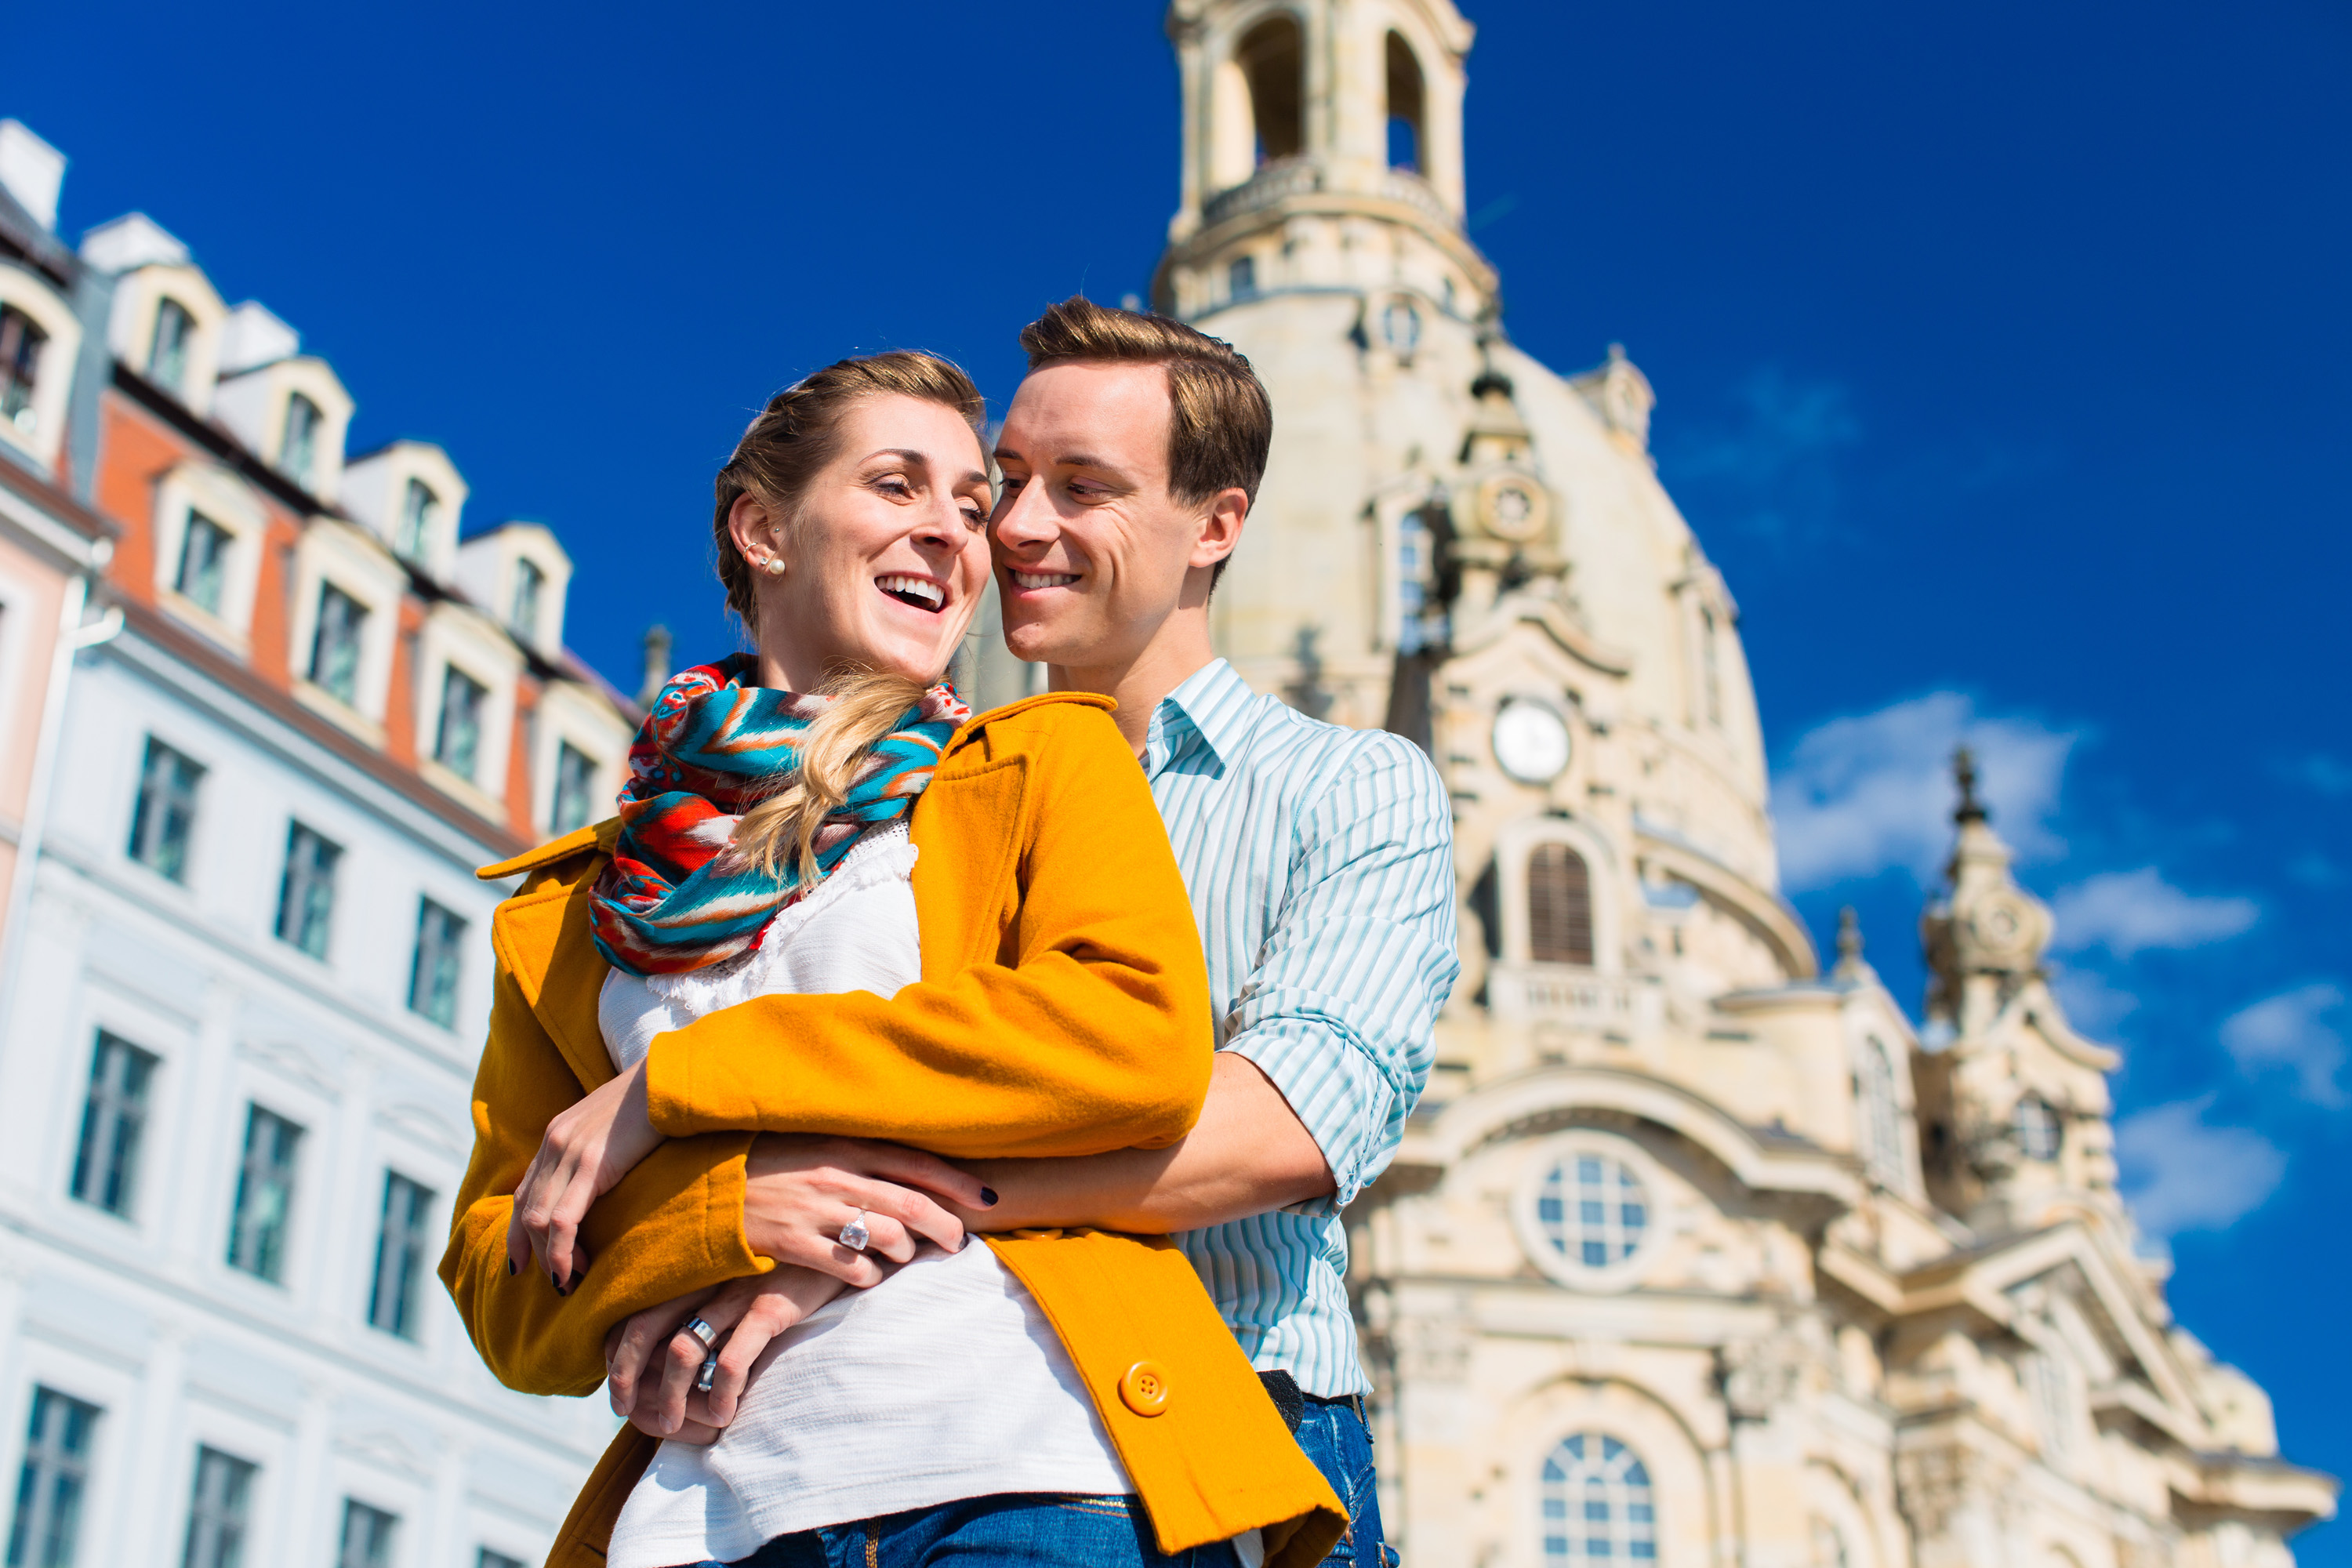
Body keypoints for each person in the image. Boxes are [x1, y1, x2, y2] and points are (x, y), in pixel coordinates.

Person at [440, 350, 1345, 1568]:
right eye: (898, 486)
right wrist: (724, 1214)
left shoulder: (1041, 764)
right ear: (761, 529)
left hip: (1020, 1473)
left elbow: (1127, 1042)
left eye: (971, 506)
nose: (958, 535)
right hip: (708, 1519)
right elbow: (503, 1287)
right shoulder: (571, 908)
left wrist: (683, 1084)